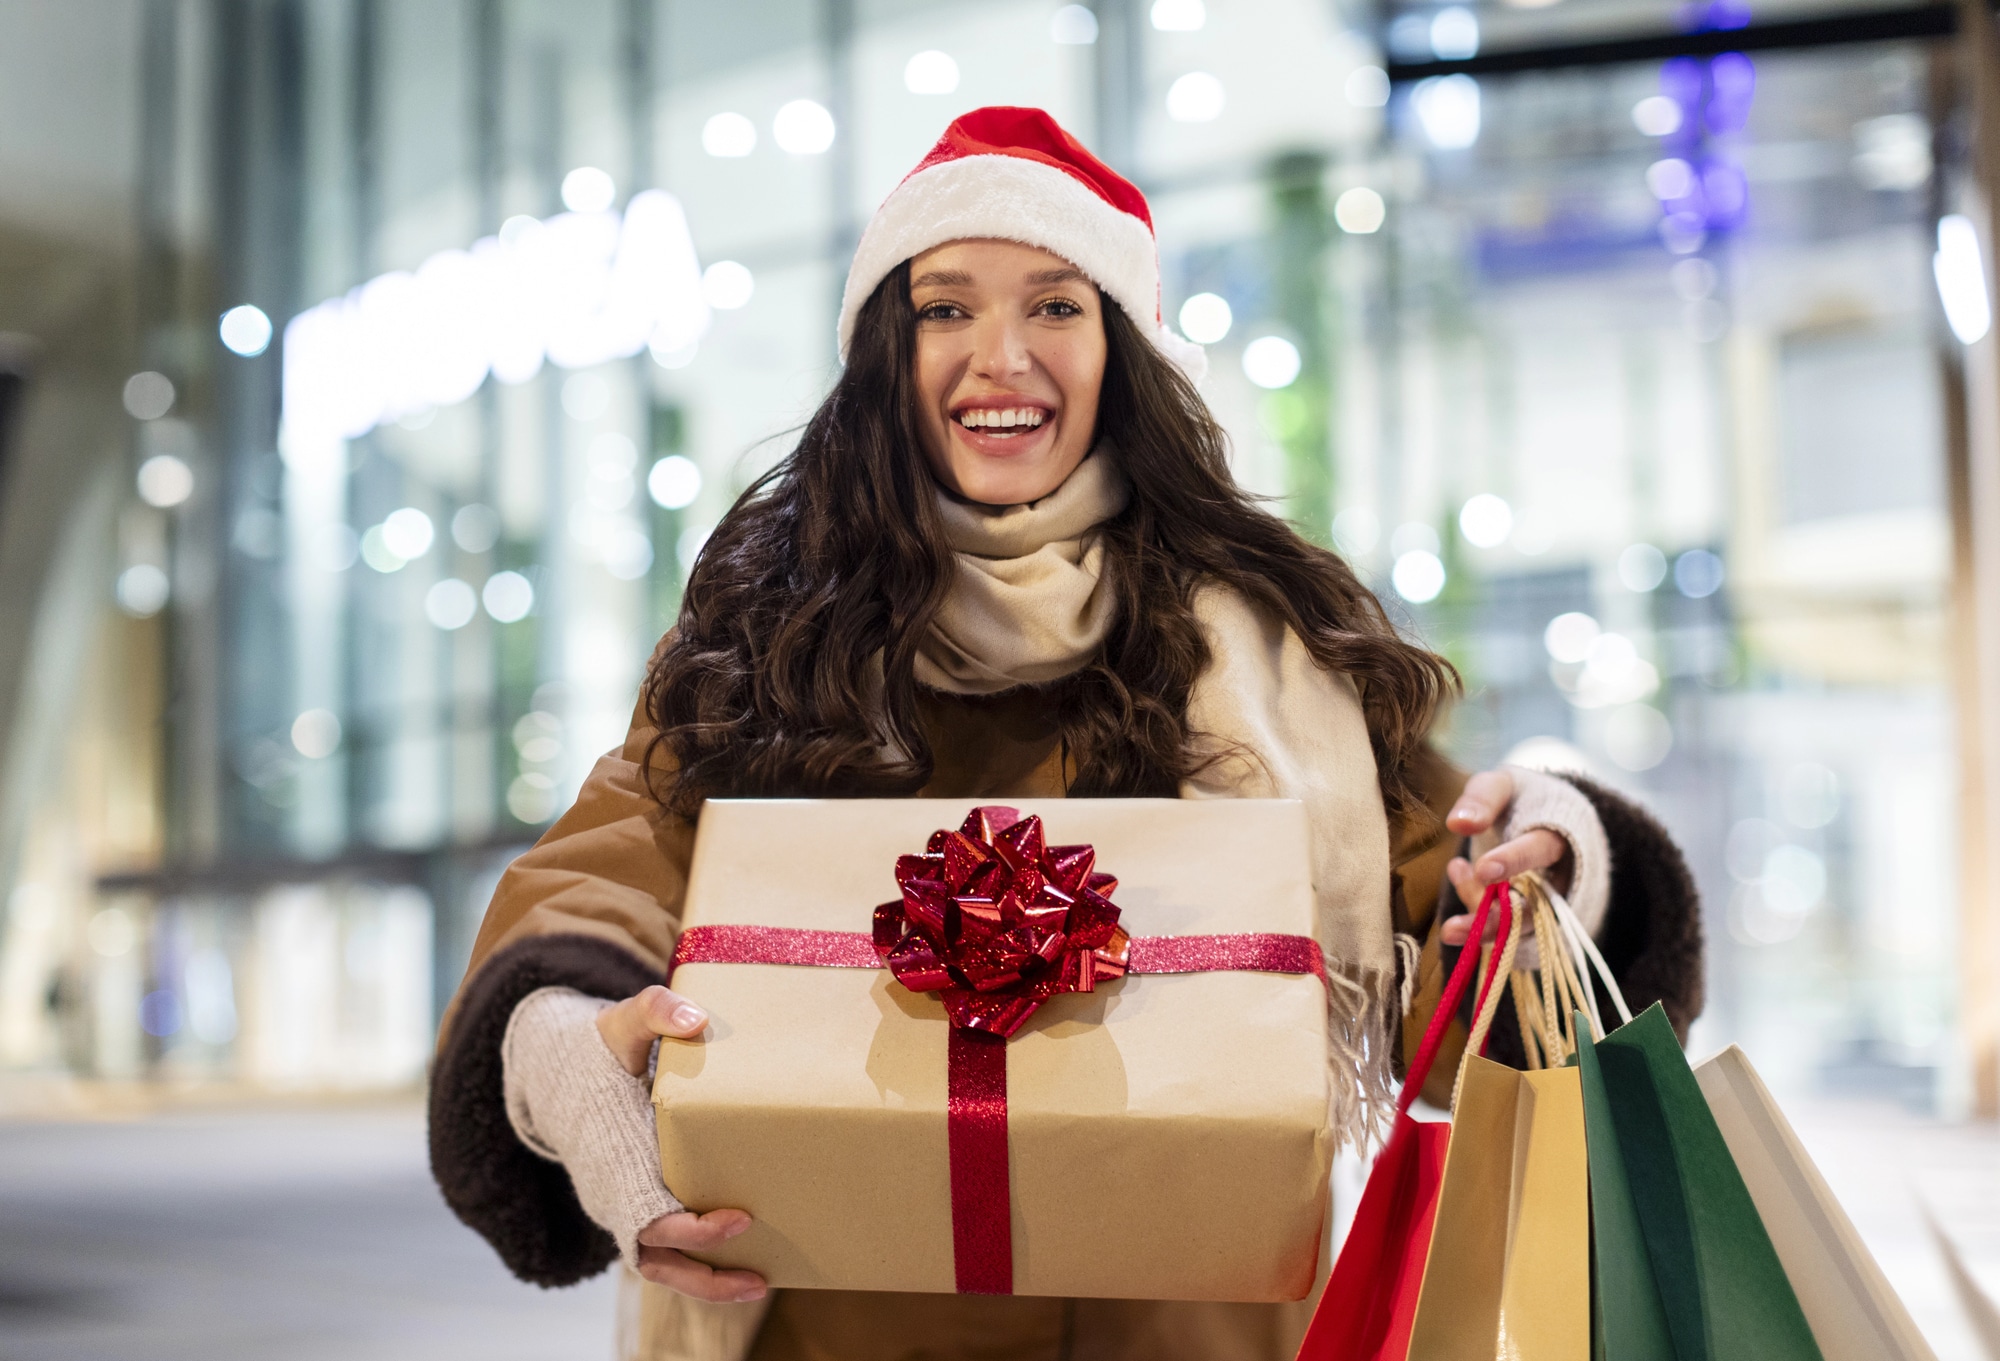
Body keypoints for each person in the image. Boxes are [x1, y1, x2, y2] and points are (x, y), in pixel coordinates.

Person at [428, 108, 1702, 1361]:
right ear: (887, 350)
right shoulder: (766, 637)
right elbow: (604, 873)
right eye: (945, 306)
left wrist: (1545, 870)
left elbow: (1444, 916)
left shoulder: (1273, 650)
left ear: (1122, 351)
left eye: (1053, 304)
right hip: (829, 1323)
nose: (1000, 356)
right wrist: (559, 1042)